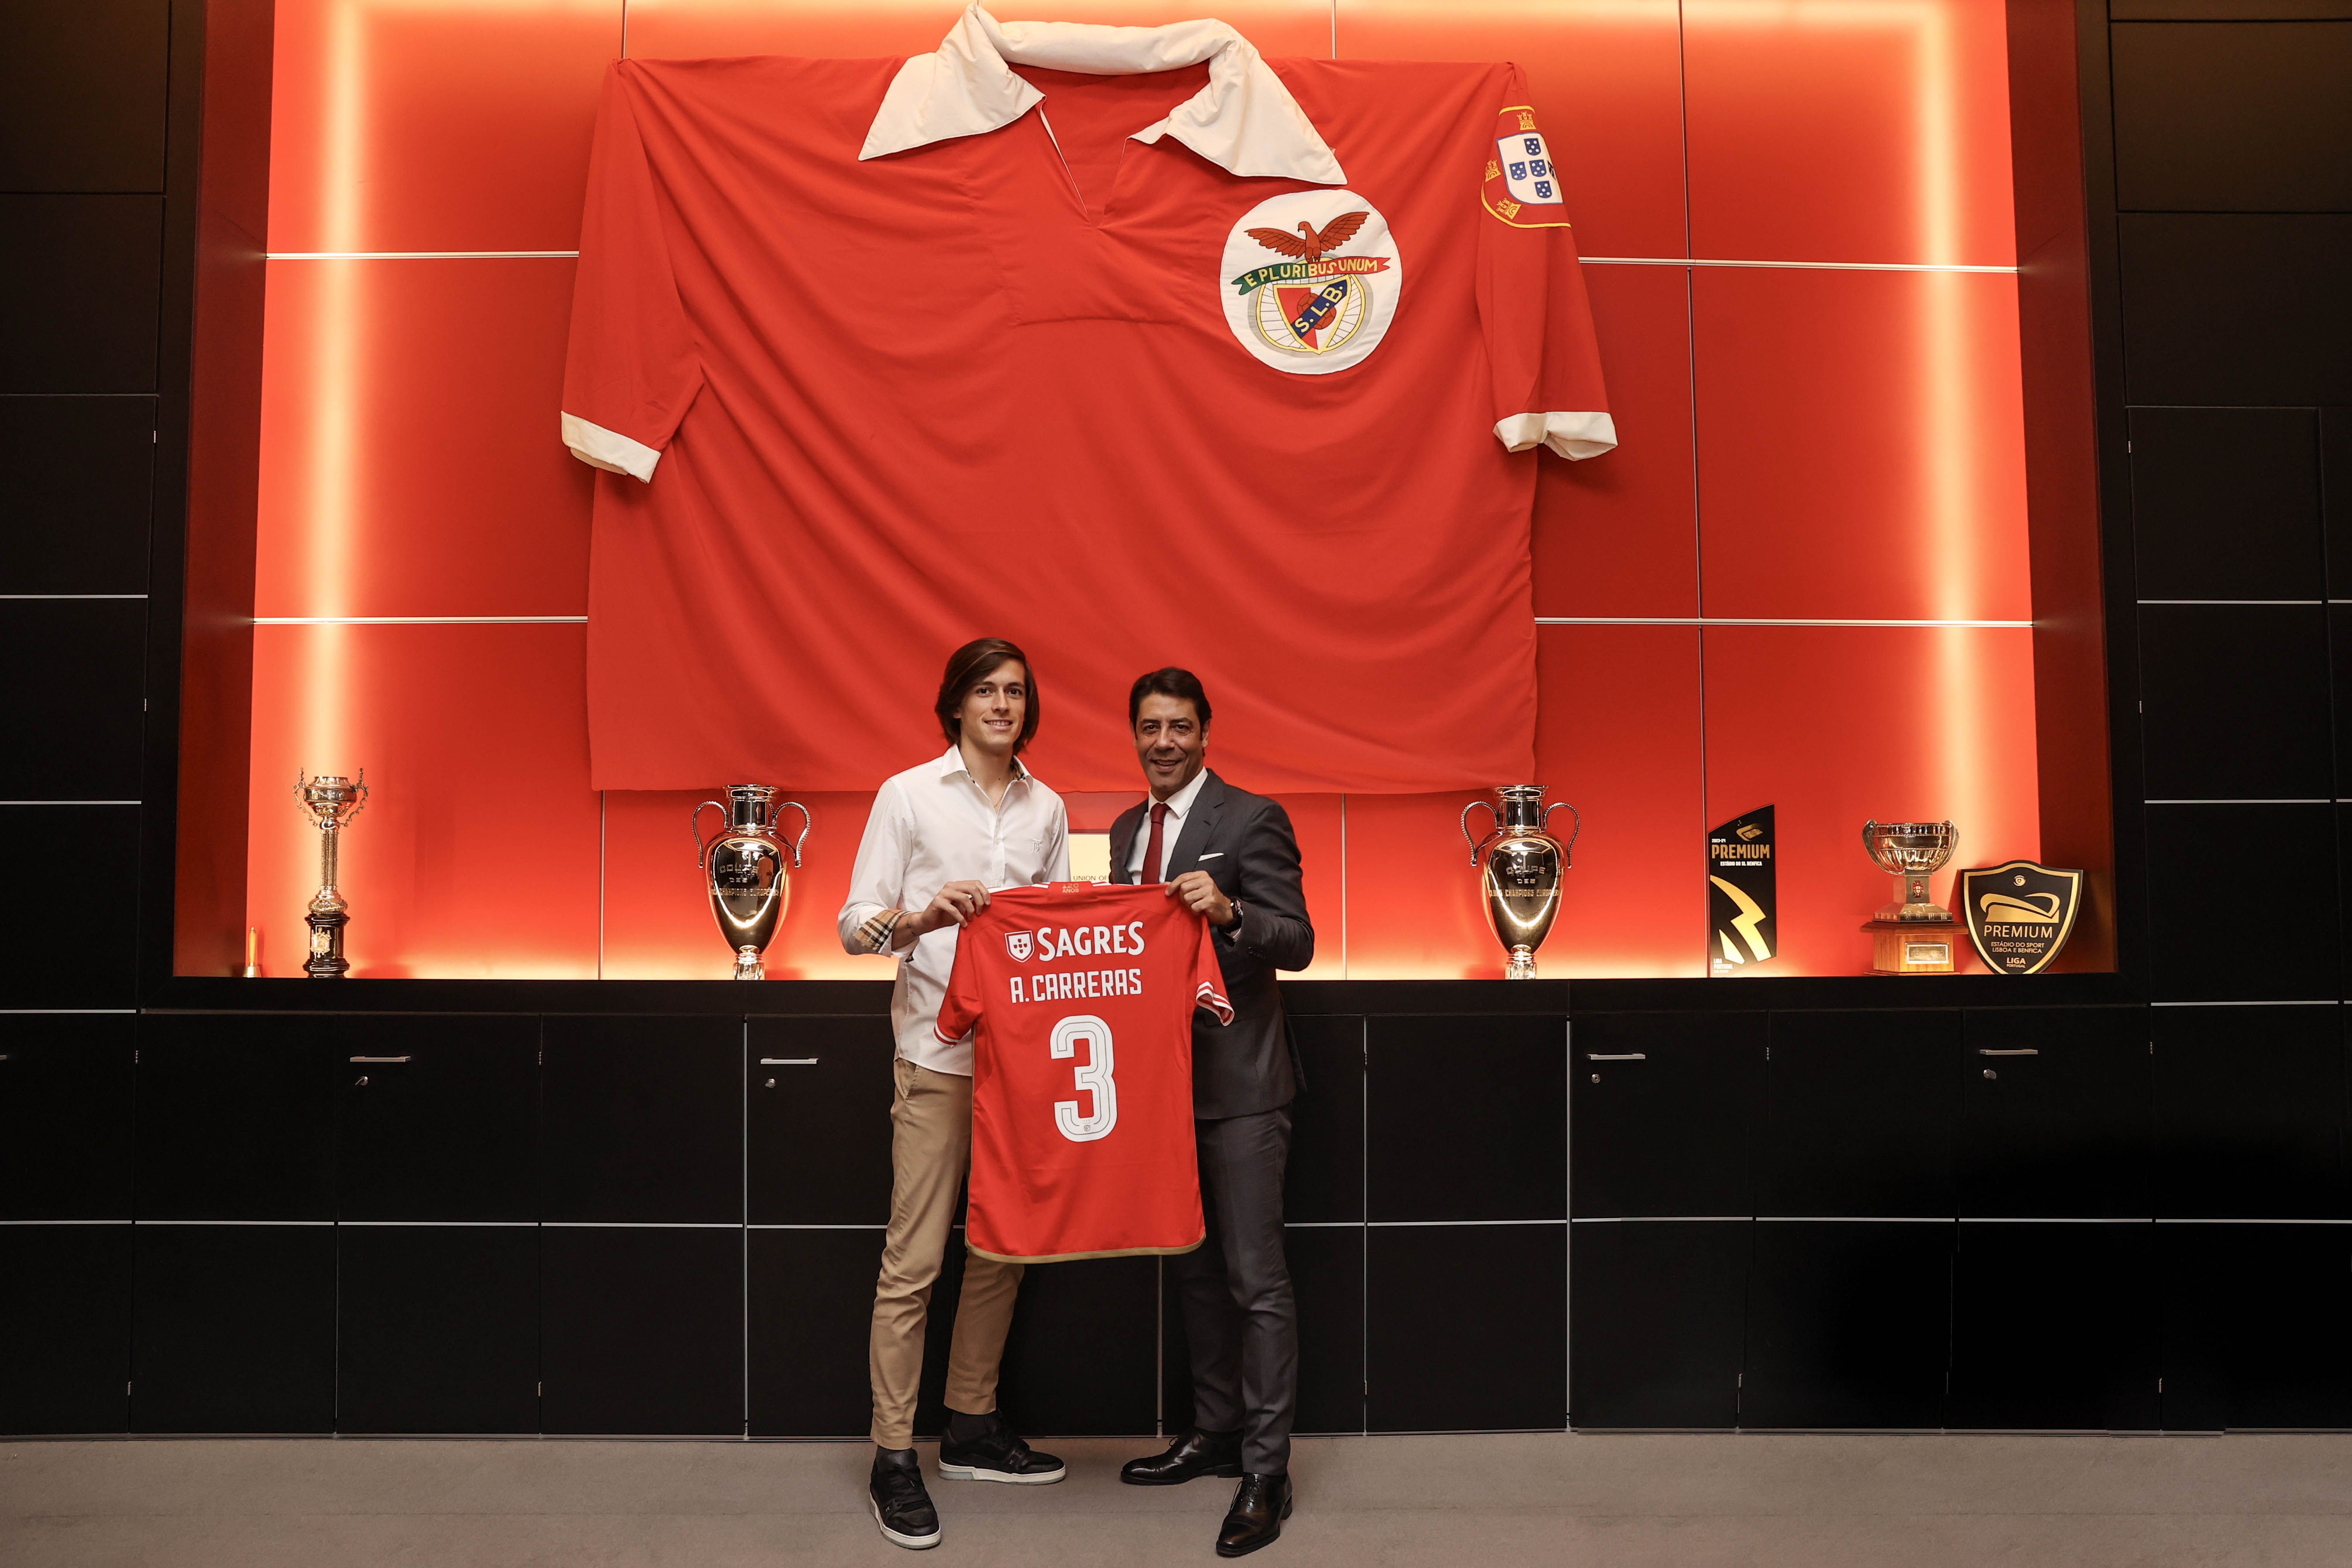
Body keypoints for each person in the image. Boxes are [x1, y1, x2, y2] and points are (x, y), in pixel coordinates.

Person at [837, 637, 1072, 1551]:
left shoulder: (1048, 807)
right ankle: (893, 1454)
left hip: (1020, 1069)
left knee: (1003, 1250)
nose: (1002, 704)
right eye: (985, 691)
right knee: (914, 1262)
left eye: (1015, 691)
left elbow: (1053, 936)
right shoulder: (906, 796)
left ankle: (971, 1426)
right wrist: (923, 916)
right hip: (935, 1058)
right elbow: (853, 925)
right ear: (957, 705)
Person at [1110, 668, 1315, 1558]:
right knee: (1193, 1276)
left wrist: (1231, 912)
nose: (1164, 742)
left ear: (1204, 735)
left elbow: (1297, 940)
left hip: (1241, 1089)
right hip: (1160, 1094)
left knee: (1254, 1280)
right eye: (1150, 727)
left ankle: (1267, 1471)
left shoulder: (1251, 818)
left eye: (1179, 727)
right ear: (1134, 735)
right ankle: (1216, 1431)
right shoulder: (1126, 830)